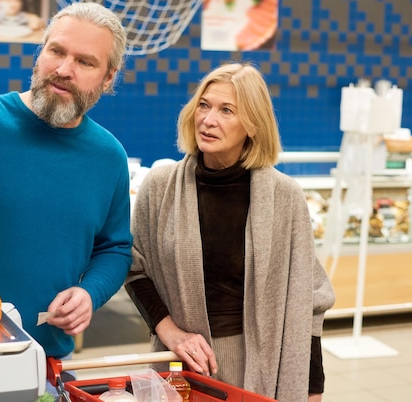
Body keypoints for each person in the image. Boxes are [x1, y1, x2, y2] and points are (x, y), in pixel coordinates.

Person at [0, 0, 132, 380]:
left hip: (40, 363)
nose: (64, 70)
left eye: (85, 62)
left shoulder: (108, 156)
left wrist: (89, 294)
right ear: (40, 51)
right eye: (56, 51)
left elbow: (114, 248)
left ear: (108, 78)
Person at [125, 62, 335, 402]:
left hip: (258, 368)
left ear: (252, 124)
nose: (208, 119)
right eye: (204, 105)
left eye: (227, 111)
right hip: (180, 364)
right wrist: (171, 332)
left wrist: (312, 391)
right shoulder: (160, 187)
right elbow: (134, 268)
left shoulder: (285, 198)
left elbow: (309, 303)